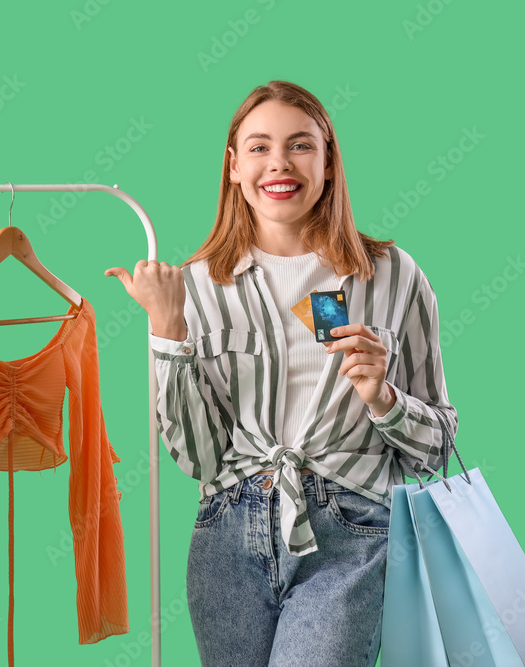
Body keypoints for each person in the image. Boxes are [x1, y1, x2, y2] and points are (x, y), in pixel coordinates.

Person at [106, 80, 457, 667]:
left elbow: (437, 446)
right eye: (259, 146)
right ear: (234, 166)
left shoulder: (394, 276)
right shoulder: (191, 287)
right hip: (227, 535)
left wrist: (383, 398)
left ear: (327, 160)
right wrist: (168, 329)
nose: (279, 164)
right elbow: (197, 458)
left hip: (351, 532)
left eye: (299, 145)